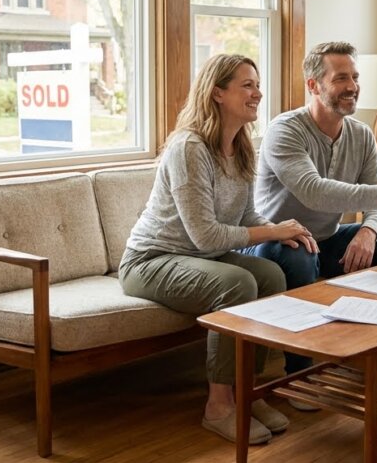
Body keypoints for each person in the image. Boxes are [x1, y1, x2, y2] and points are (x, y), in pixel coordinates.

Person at [119, 54, 318, 446]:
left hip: (197, 258)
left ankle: (248, 391)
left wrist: (280, 233)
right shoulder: (189, 148)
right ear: (217, 93)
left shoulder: (243, 147)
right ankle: (219, 405)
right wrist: (272, 231)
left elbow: (246, 216)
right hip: (150, 260)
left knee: (271, 275)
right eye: (247, 85)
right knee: (238, 284)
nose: (258, 93)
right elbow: (205, 236)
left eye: (257, 85)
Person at [243, 41, 377, 376]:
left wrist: (367, 232)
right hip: (275, 241)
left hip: (326, 238)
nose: (352, 87)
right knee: (299, 255)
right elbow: (314, 192)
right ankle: (299, 371)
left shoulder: (360, 136)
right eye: (341, 78)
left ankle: (376, 345)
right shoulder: (285, 130)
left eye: (355, 77)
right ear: (313, 85)